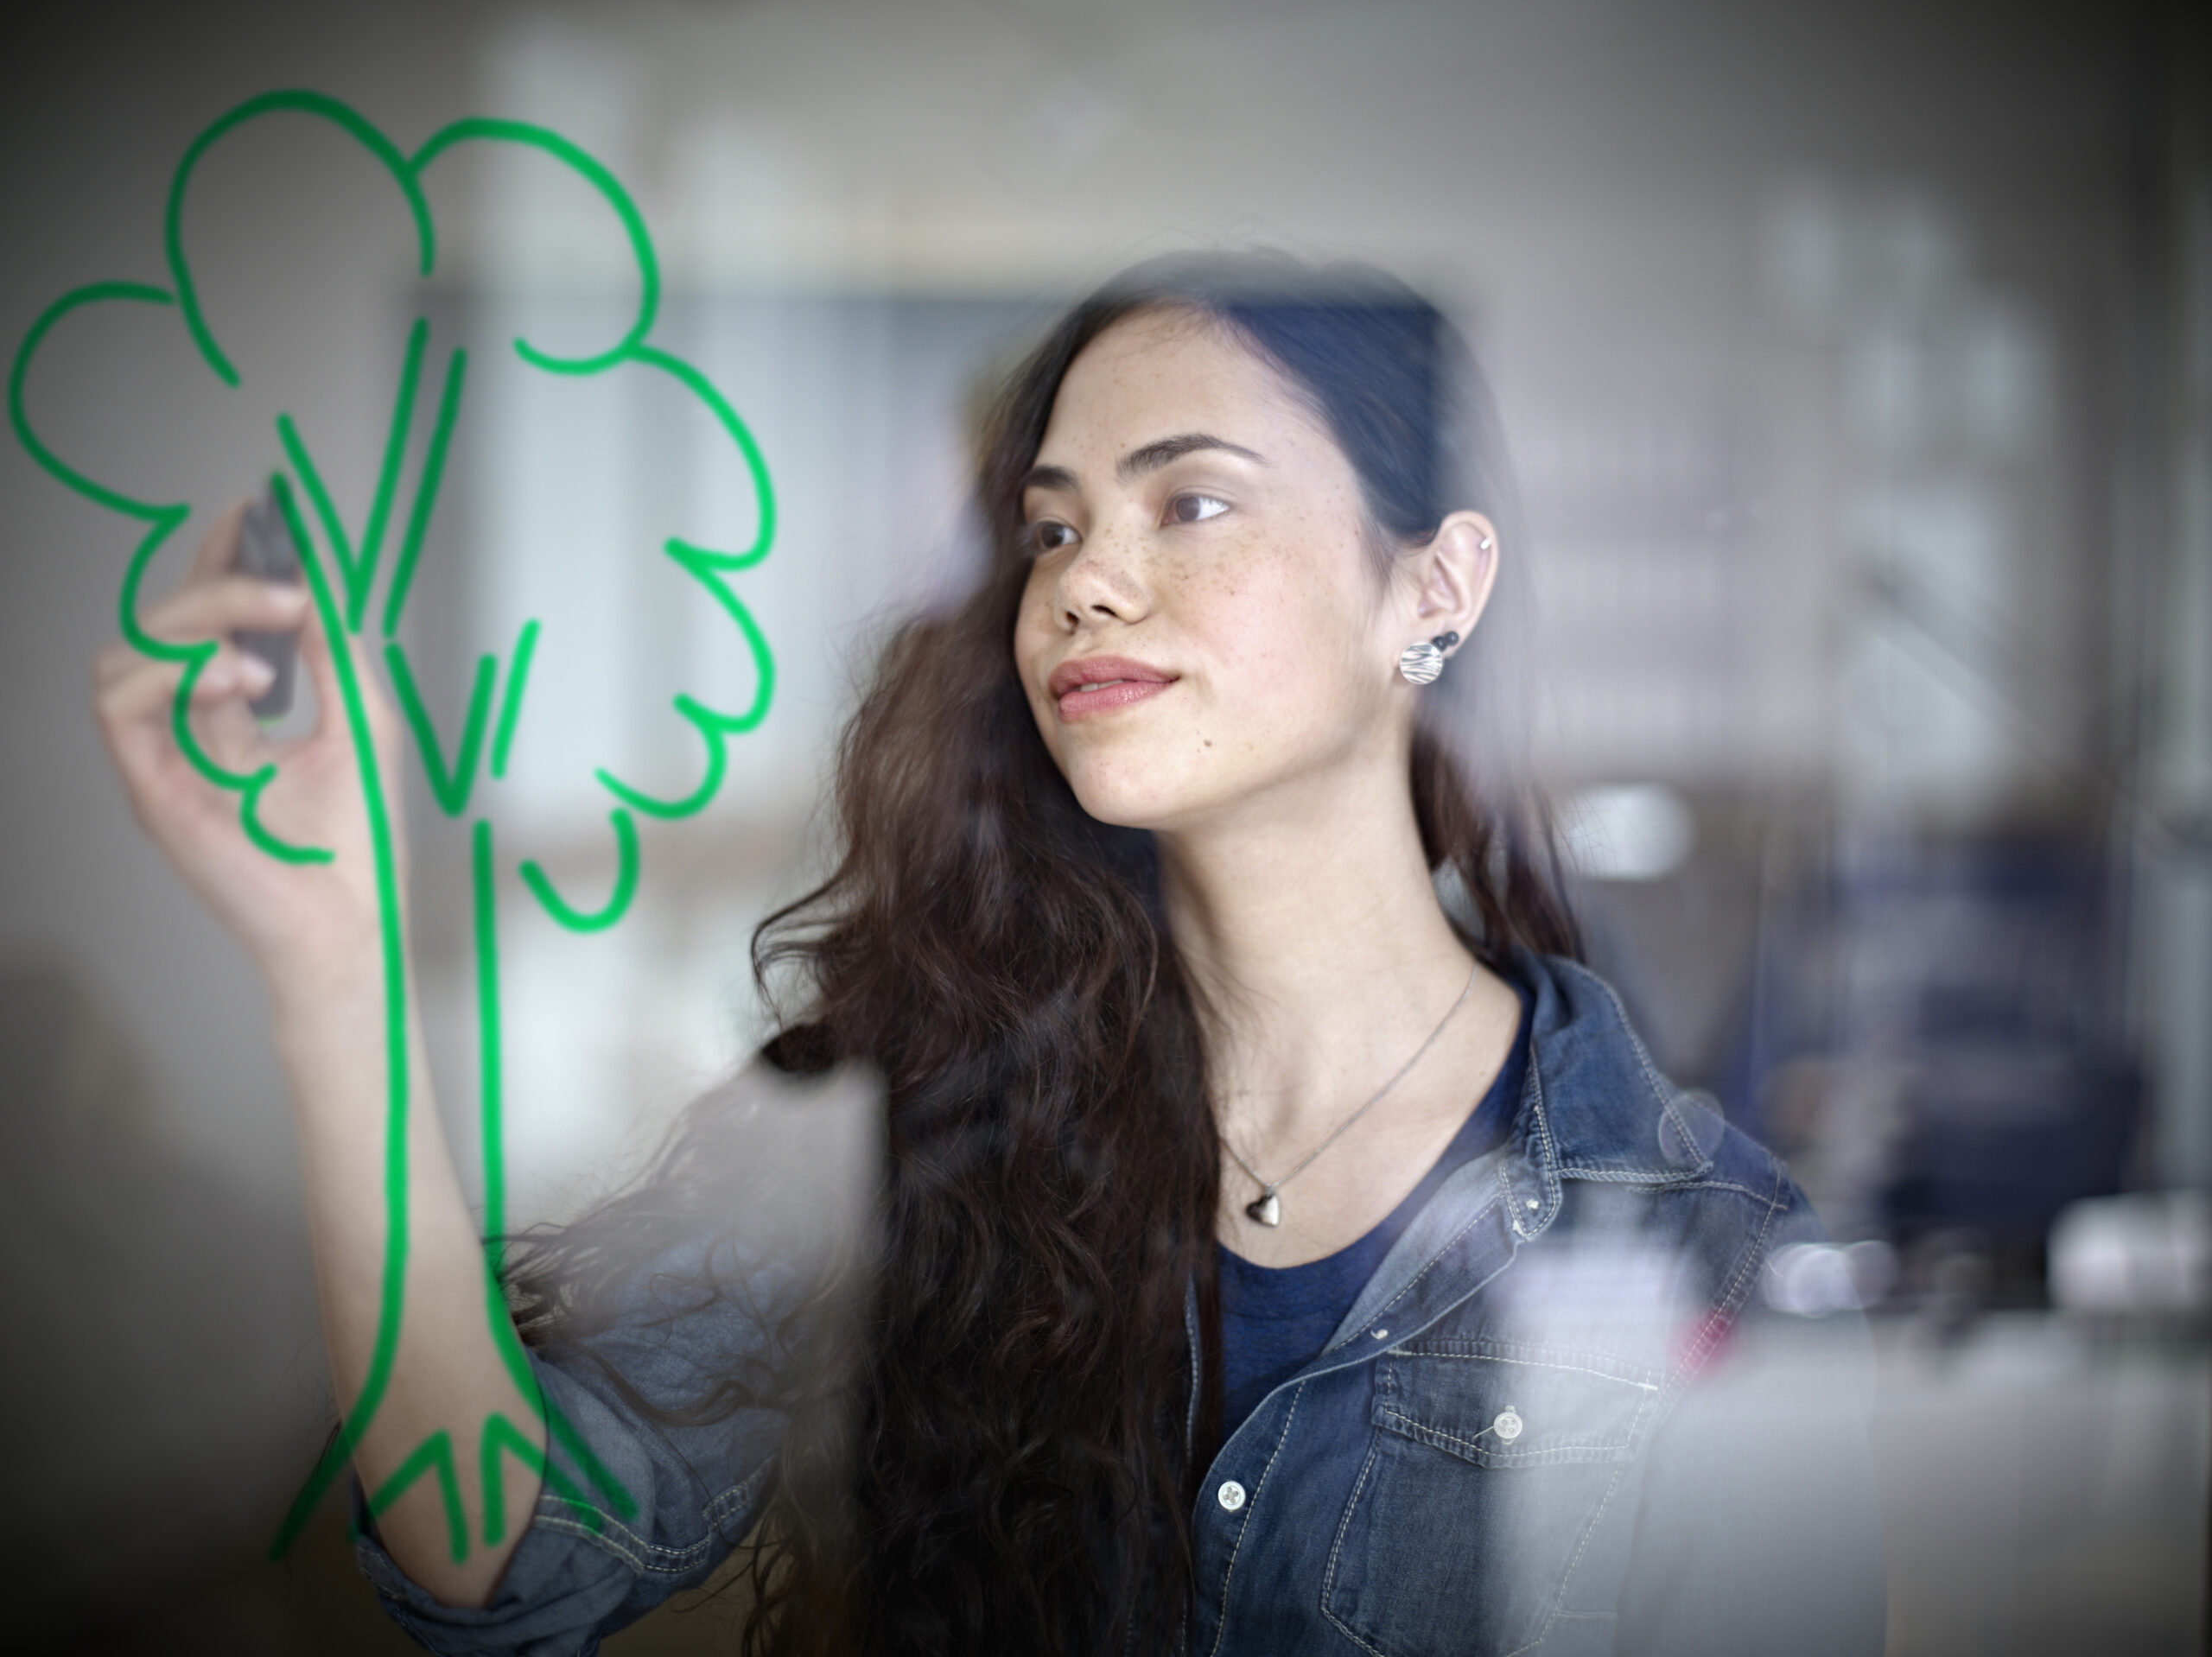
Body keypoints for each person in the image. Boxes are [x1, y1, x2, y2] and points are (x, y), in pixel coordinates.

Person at [95, 251, 1885, 1655]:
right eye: (1049, 527)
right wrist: (328, 960)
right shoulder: (920, 1105)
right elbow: (501, 1551)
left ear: (1431, 586)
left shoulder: (1702, 1256)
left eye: (1188, 502)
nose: (1084, 582)